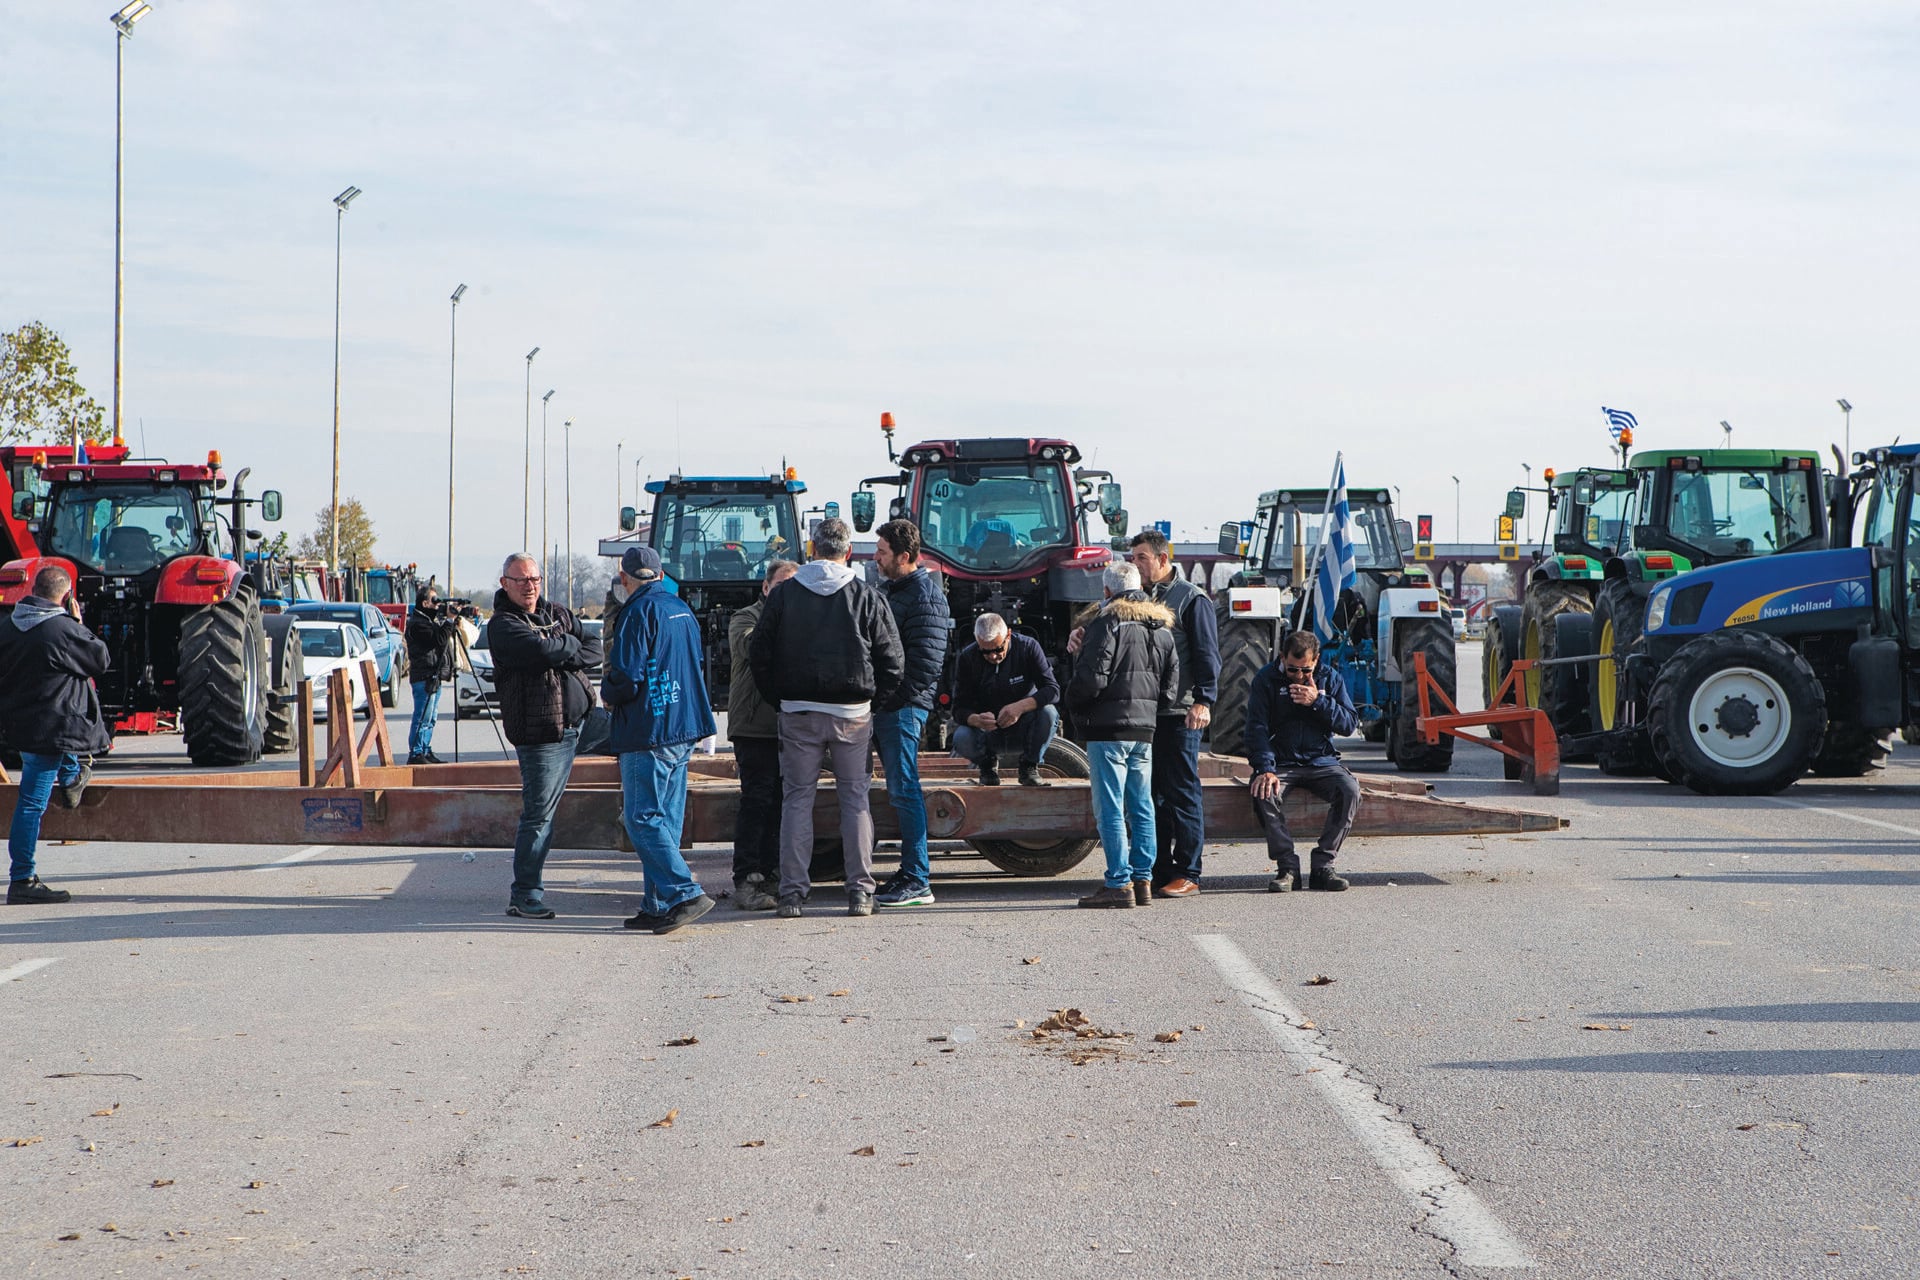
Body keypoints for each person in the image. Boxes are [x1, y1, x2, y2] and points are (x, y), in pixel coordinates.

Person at [748, 517, 904, 919]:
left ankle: (792, 894)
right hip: (852, 714)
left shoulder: (784, 595)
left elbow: (759, 653)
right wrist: (872, 702)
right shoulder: (865, 595)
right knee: (855, 800)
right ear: (848, 552)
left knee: (797, 800)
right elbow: (893, 661)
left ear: (811, 549)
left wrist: (780, 699)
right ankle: (860, 893)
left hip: (797, 711)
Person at [601, 546, 718, 934]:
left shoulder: (637, 612)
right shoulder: (680, 608)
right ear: (661, 574)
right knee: (664, 821)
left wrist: (607, 692)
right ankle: (657, 903)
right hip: (683, 724)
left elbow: (626, 676)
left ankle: (684, 893)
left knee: (641, 818)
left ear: (624, 578)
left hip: (649, 728)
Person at [489, 552, 609, 920]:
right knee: (539, 816)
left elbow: (594, 648)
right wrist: (567, 647)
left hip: (586, 722)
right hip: (543, 735)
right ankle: (524, 895)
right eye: (522, 580)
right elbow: (540, 650)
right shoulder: (503, 625)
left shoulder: (557, 613)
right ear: (505, 583)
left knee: (641, 742)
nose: (530, 586)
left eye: (535, 579)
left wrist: (562, 651)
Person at [1067, 563, 1177, 908]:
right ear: (1139, 587)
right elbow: (1171, 688)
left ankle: (1118, 882)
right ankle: (1143, 880)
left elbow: (1092, 680)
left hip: (1108, 729)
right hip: (1144, 729)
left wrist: (1073, 700)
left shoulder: (1107, 623)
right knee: (1142, 807)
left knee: (1111, 809)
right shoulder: (1161, 627)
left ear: (1106, 592)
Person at [0, 566, 110, 905]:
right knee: (31, 803)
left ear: (34, 590)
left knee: (56, 769)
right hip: (52, 730)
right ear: (67, 596)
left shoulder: (8, 627)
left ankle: (73, 776)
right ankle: (22, 879)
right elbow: (99, 659)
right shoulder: (62, 629)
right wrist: (77, 623)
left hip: (21, 725)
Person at [1129, 530, 1219, 899]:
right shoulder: (1137, 597)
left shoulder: (1191, 600)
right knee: (1151, 795)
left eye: (1142, 558)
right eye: (1133, 558)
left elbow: (1207, 654)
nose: (1135, 564)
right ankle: (1160, 870)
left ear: (1163, 559)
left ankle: (1188, 872)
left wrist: (1204, 700)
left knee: (1182, 792)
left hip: (1181, 712)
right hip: (1145, 712)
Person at [870, 519, 952, 909]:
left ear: (904, 556)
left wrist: (886, 701)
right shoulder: (894, 590)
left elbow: (923, 667)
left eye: (882, 552)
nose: (876, 558)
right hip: (889, 706)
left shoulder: (925, 597)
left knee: (905, 790)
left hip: (902, 708)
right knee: (899, 790)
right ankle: (909, 873)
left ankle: (918, 878)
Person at [1245, 629, 1362, 893]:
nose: (1298, 676)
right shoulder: (1265, 680)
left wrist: (1318, 701)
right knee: (1263, 792)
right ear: (1282, 657)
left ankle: (1323, 865)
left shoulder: (1330, 678)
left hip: (1321, 761)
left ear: (1316, 660)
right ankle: (1287, 868)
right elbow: (1255, 729)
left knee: (1350, 790)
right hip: (1281, 762)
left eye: (1306, 670)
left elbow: (1349, 724)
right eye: (1292, 670)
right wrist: (1265, 768)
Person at [726, 558, 798, 911]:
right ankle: (747, 878)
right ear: (766, 587)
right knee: (757, 801)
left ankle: (772, 875)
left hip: (790, 727)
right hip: (754, 726)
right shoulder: (745, 618)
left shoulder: (799, 619)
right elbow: (753, 648)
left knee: (782, 804)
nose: (788, 593)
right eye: (782, 586)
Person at [949, 613, 1060, 786]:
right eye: (985, 651)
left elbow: (1052, 690)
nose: (993, 656)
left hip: (1024, 727)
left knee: (1049, 713)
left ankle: (1029, 765)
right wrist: (975, 719)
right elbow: (958, 708)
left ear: (1008, 635)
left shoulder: (1028, 647)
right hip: (988, 732)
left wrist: (1020, 707)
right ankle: (987, 766)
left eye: (998, 649)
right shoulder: (967, 657)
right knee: (962, 736)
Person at [403, 586, 469, 765]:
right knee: (422, 717)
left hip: (434, 675)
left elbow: (441, 638)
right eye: (434, 601)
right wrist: (449, 620)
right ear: (425, 603)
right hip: (424, 676)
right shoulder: (418, 624)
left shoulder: (428, 621)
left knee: (431, 718)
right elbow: (438, 640)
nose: (437, 604)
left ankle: (425, 749)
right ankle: (416, 753)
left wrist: (450, 620)